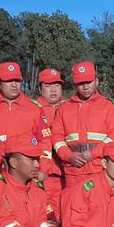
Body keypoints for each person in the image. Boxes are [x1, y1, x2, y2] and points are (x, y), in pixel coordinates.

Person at [50, 61, 114, 192]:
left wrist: (92, 154)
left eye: (89, 82)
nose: (85, 87)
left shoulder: (109, 107)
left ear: (96, 81)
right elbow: (56, 137)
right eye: (81, 83)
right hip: (73, 169)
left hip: (99, 168)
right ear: (75, 84)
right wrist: (68, 156)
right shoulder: (63, 108)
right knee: (73, 208)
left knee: (98, 208)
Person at [0, 61, 46, 154]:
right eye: (8, 81)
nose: (14, 85)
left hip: (26, 164)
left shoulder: (35, 108)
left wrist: (43, 166)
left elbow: (44, 141)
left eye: (17, 80)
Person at [35, 67, 66, 202]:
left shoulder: (71, 108)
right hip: (41, 173)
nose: (53, 89)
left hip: (66, 173)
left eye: (57, 85)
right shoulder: (32, 109)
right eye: (48, 85)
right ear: (40, 89)